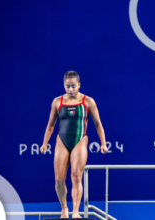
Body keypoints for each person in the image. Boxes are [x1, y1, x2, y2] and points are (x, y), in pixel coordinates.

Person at [40, 70, 108, 218]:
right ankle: (64, 208)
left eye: (73, 86)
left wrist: (103, 143)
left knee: (77, 176)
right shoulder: (57, 102)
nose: (70, 89)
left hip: (80, 140)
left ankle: (76, 211)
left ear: (79, 85)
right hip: (62, 141)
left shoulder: (88, 101)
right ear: (64, 86)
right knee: (59, 179)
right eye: (67, 86)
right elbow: (50, 125)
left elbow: (98, 124)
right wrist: (45, 143)